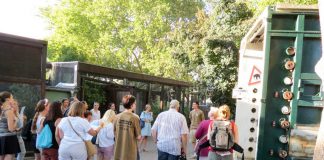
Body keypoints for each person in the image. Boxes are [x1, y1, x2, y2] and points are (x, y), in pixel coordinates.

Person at [113, 95, 141, 160]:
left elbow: (114, 132)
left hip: (118, 151)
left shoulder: (117, 116)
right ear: (131, 105)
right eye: (135, 104)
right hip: (130, 152)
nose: (135, 105)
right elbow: (138, 137)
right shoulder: (135, 118)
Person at [0, 91, 20, 160]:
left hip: (1, 137)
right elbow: (11, 129)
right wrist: (16, 121)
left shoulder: (2, 110)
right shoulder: (9, 111)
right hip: (9, 138)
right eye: (12, 98)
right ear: (7, 100)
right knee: (9, 156)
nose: (13, 100)